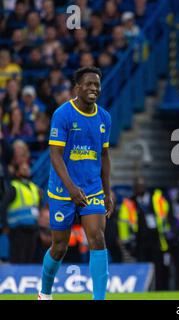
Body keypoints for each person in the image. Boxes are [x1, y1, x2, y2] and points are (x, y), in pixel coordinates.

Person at [38, 67, 113, 300]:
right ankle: (45, 293)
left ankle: (99, 298)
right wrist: (71, 188)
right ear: (77, 88)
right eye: (89, 84)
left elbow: (104, 156)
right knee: (59, 247)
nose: (93, 88)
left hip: (92, 188)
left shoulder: (104, 118)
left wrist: (107, 191)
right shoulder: (63, 114)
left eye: (97, 85)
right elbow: (55, 155)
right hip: (63, 189)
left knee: (97, 238)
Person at [0, 162, 41, 263]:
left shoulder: (34, 187)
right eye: (23, 169)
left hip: (32, 229)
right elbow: (3, 206)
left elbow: (36, 206)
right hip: (18, 230)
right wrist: (5, 225)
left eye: (27, 168)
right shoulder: (14, 187)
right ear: (17, 172)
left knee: (29, 259)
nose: (26, 170)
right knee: (18, 259)